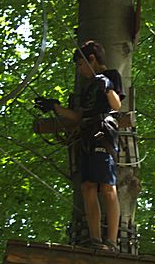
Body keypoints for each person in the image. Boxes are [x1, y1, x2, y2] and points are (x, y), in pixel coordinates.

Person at [35, 41, 125, 252]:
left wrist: (108, 86)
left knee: (107, 186)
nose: (80, 70)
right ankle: (95, 240)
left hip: (104, 132)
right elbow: (77, 116)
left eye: (80, 65)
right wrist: (55, 107)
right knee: (87, 186)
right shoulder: (86, 88)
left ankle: (111, 241)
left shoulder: (111, 75)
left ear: (91, 59)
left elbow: (116, 105)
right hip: (86, 136)